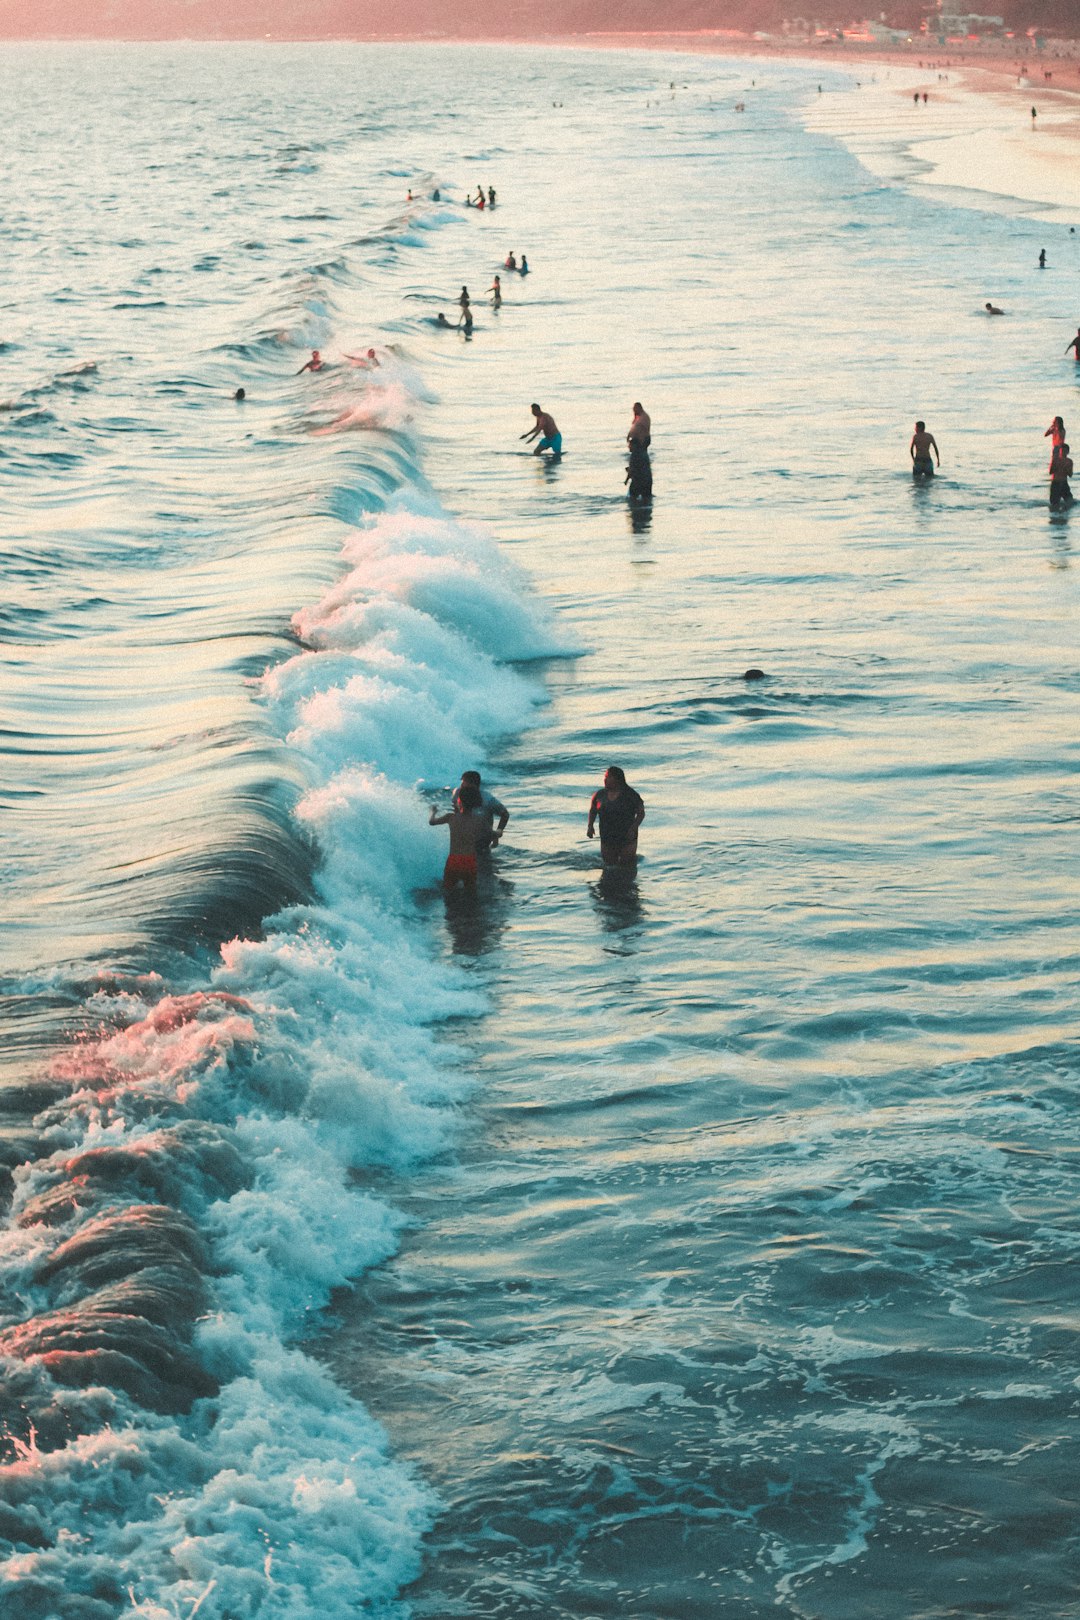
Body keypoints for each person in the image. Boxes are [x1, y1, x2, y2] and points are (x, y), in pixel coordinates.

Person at [586, 766, 645, 867]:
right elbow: (593, 810)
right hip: (607, 837)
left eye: (608, 777)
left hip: (626, 837)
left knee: (627, 867)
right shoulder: (600, 795)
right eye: (605, 777)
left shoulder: (630, 795)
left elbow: (641, 813)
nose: (605, 780)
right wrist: (590, 826)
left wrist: (633, 828)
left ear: (617, 779)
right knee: (609, 867)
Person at [429, 782, 484, 889]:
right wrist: (498, 832)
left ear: (459, 801)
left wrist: (433, 812)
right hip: (470, 861)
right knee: (471, 890)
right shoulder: (478, 820)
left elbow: (432, 822)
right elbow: (491, 834)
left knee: (448, 889)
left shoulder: (451, 817)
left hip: (454, 860)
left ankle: (450, 904)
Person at [452, 770, 509, 852]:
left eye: (464, 782)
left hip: (482, 840)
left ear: (473, 784)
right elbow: (456, 812)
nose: (461, 785)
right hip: (464, 840)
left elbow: (505, 814)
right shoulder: (458, 793)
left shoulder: (487, 799)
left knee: (483, 860)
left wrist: (497, 832)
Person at [1050, 442, 1073, 508]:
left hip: (1064, 483)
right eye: (1062, 451)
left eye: (1065, 451)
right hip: (1055, 483)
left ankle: (1065, 516)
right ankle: (1055, 516)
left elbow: (1070, 475)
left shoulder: (1069, 461)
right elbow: (1051, 472)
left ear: (1068, 452)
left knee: (1070, 502)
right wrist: (1055, 465)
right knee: (1054, 504)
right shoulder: (1055, 460)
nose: (1063, 452)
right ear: (1060, 451)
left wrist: (1065, 468)